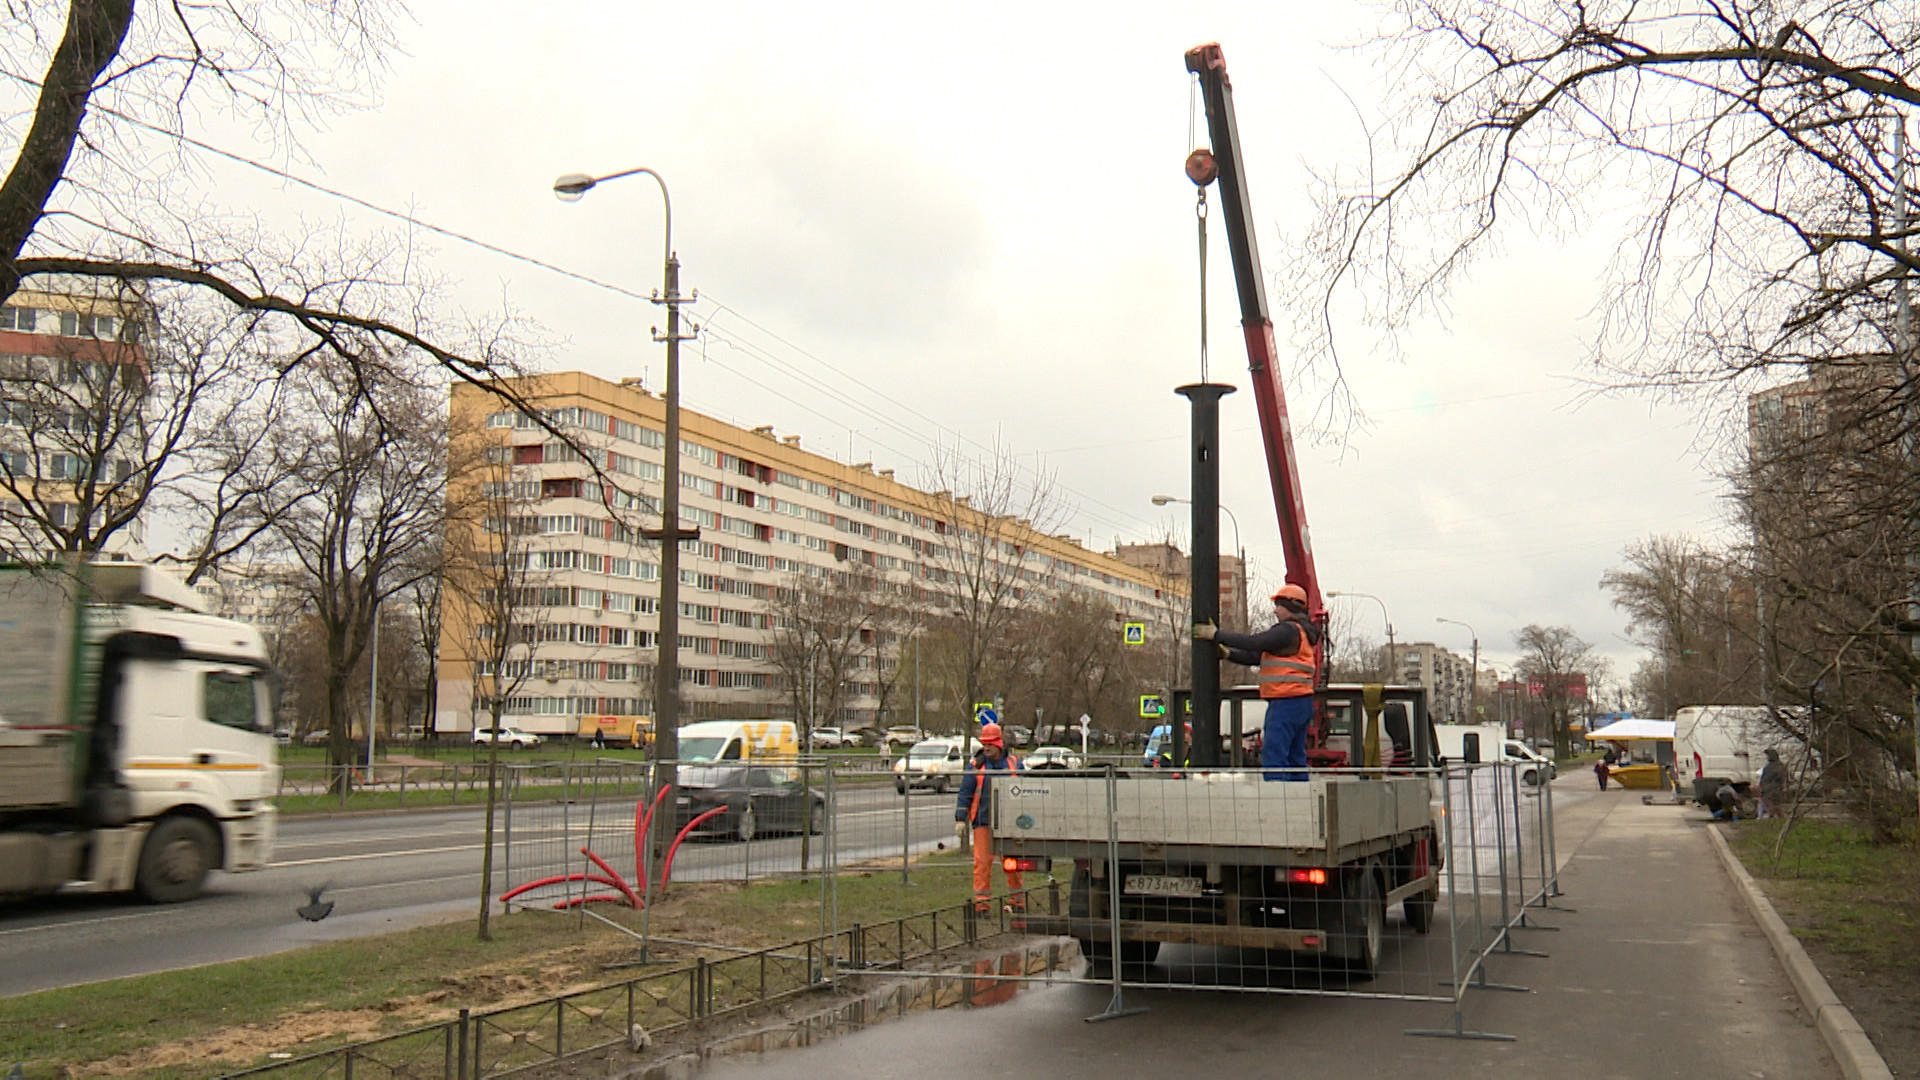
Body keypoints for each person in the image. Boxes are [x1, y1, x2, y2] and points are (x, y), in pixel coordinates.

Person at [1196, 584, 1321, 781]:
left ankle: (1277, 803)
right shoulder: (1301, 633)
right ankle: (1300, 802)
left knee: (1275, 756)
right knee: (1295, 757)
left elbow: (1254, 642)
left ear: (1290, 606)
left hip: (1285, 701)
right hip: (1300, 701)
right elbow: (1257, 656)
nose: (1275, 610)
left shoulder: (1287, 630)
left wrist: (1216, 635)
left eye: (1278, 605)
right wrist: (1229, 654)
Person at [954, 723, 1024, 913]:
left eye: (990, 744)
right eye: (984, 744)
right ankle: (981, 905)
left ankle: (1018, 902)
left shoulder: (1014, 764)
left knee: (1012, 863)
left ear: (999, 744)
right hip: (983, 821)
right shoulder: (976, 765)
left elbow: (1027, 789)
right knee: (982, 863)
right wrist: (961, 818)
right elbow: (965, 792)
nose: (986, 748)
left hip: (1009, 823)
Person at [1758, 747, 1787, 818]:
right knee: (1772, 805)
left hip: (1773, 789)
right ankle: (1776, 817)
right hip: (1767, 789)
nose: (1767, 757)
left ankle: (1774, 817)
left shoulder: (1778, 766)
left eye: (1768, 755)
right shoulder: (1769, 766)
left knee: (1773, 805)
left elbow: (1780, 777)